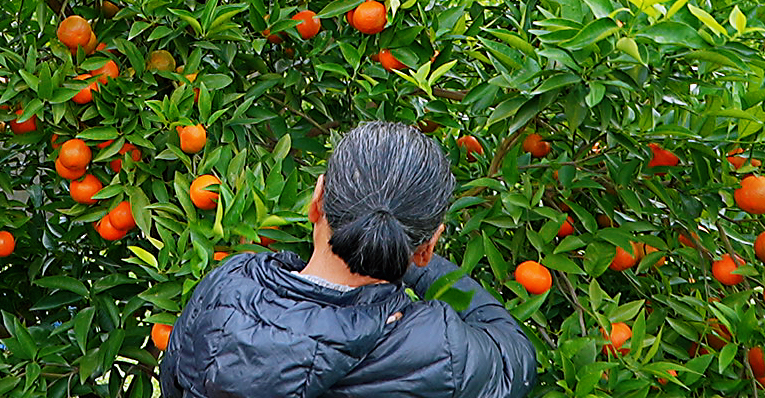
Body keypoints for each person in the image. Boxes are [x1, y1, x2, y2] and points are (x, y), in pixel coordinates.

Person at [160, 121, 536, 398]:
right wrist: (414, 261)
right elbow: (515, 358)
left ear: (317, 199)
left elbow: (175, 381)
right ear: (427, 246)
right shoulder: (435, 349)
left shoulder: (227, 290)